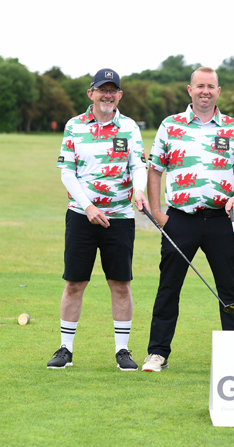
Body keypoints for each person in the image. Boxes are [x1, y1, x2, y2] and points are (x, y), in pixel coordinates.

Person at [142, 67, 234, 372]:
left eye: (211, 86)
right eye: (200, 86)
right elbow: (155, 170)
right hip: (180, 219)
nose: (205, 91)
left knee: (229, 289)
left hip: (222, 219)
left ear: (218, 91)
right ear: (189, 90)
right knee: (169, 287)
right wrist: (158, 214)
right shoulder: (170, 125)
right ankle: (157, 353)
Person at [48, 68, 149, 371]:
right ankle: (65, 349)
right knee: (74, 283)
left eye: (112, 90)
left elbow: (138, 165)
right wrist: (89, 206)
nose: (107, 95)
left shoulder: (129, 127)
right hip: (81, 215)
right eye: (102, 90)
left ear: (119, 95)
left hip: (120, 217)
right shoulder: (74, 125)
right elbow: (67, 172)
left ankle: (122, 351)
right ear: (91, 93)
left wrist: (140, 191)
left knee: (120, 283)